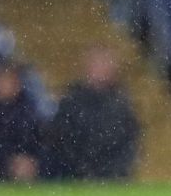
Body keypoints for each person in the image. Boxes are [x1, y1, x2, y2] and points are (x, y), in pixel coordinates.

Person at [42, 46, 141, 181]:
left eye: (104, 63)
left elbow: (128, 145)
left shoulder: (122, 105)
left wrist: (112, 172)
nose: (100, 68)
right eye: (96, 63)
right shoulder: (71, 101)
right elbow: (61, 140)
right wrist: (81, 171)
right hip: (76, 180)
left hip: (112, 181)